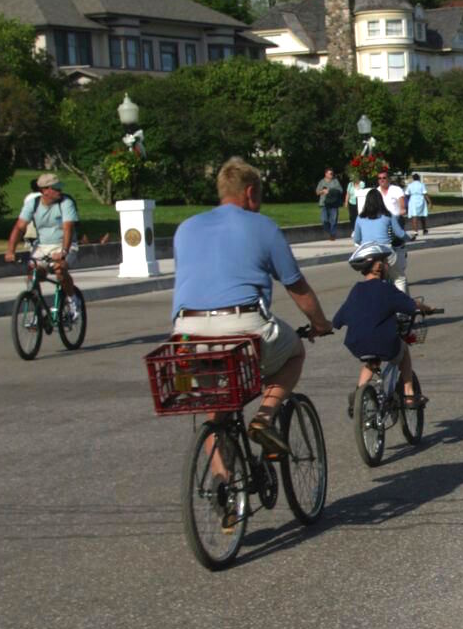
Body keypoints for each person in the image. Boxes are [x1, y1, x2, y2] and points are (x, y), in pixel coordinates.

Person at [171, 156, 332, 455]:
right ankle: (264, 419)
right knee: (294, 351)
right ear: (249, 192)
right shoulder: (262, 226)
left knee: (216, 407)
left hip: (187, 332)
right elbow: (296, 286)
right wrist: (320, 323)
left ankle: (223, 488)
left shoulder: (187, 228)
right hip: (241, 326)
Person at [333, 242, 427, 417]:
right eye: (384, 261)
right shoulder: (387, 289)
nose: (386, 265)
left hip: (356, 344)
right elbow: (411, 305)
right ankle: (408, 393)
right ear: (377, 266)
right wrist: (426, 308)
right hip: (384, 343)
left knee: (371, 362)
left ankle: (358, 397)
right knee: (403, 348)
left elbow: (338, 320)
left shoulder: (356, 290)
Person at [4, 172, 81, 315]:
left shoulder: (66, 202)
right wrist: (10, 251)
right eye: (56, 188)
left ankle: (72, 300)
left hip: (66, 244)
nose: (60, 191)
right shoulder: (32, 204)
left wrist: (64, 252)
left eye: (59, 188)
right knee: (33, 273)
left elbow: (68, 228)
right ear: (44, 190)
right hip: (42, 246)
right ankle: (36, 308)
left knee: (60, 269)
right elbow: (20, 227)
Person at [353, 189, 409, 293]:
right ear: (380, 201)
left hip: (368, 255)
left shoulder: (360, 217)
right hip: (385, 252)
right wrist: (409, 238)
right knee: (399, 278)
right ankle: (404, 306)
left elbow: (356, 239)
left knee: (371, 280)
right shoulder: (387, 215)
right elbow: (400, 233)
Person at [316, 167, 344, 241]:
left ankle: (332, 234)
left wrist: (330, 191)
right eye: (330, 173)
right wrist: (323, 191)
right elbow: (317, 192)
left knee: (333, 220)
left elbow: (340, 190)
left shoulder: (335, 181)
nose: (332, 175)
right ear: (326, 174)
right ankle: (329, 231)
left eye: (332, 173)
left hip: (334, 203)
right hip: (324, 203)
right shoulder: (322, 182)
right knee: (324, 220)